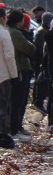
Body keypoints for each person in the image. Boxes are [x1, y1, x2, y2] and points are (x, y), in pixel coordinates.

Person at [7, 10, 35, 139]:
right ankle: (15, 128)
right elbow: (30, 48)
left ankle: (17, 126)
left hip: (18, 69)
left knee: (18, 100)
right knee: (18, 100)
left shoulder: (10, 31)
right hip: (20, 69)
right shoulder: (15, 33)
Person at [0, 9, 18, 149]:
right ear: (2, 18)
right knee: (3, 106)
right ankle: (2, 134)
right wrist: (14, 74)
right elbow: (9, 56)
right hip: (3, 75)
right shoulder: (3, 33)